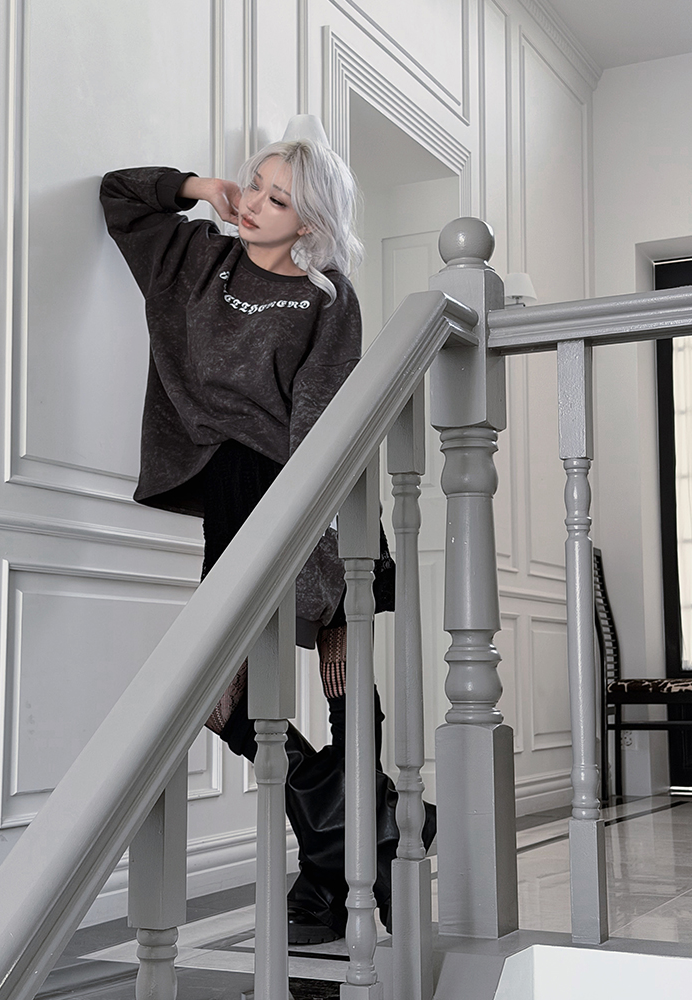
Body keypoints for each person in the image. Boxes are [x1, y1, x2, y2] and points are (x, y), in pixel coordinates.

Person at [99, 120, 434, 943]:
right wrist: (198, 188)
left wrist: (324, 536)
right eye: (253, 184)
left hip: (306, 488)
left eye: (276, 198)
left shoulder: (328, 298)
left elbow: (323, 416)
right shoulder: (194, 259)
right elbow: (120, 196)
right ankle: (371, 834)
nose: (252, 203)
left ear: (310, 220)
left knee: (341, 674)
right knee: (220, 700)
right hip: (231, 487)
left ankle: (327, 884)